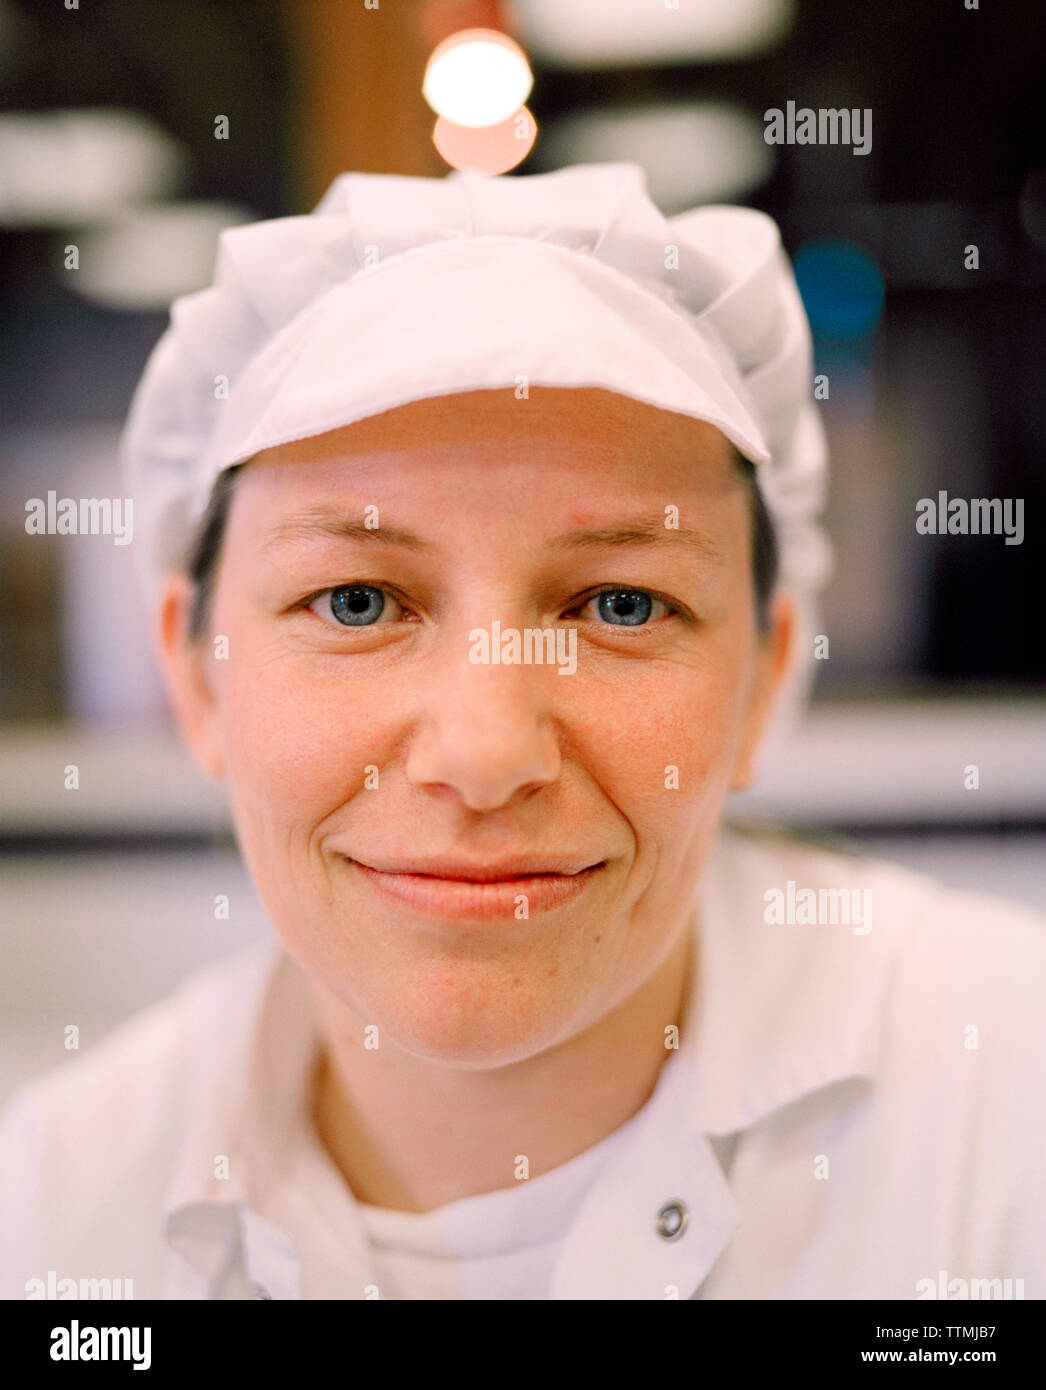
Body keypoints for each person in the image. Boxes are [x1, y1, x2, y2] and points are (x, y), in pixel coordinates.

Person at [1, 163, 1043, 1301]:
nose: (485, 754)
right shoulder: (46, 1212)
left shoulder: (1005, 1106)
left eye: (620, 605)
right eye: (356, 600)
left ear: (762, 678)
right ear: (196, 678)